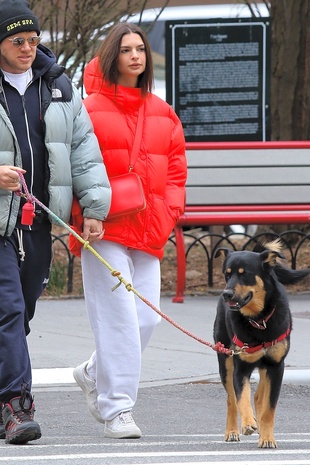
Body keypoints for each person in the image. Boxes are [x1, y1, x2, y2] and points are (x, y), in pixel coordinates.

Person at [0, 0, 111, 445]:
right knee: (7, 310)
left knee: (19, 315)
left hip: (38, 221)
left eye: (34, 39)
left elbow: (83, 149)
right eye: (17, 40)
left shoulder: (58, 85)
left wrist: (95, 208)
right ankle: (16, 407)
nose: (28, 48)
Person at [70, 22, 187, 439]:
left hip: (149, 229)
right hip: (104, 229)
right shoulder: (86, 108)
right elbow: (73, 168)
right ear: (111, 56)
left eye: (140, 49)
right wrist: (84, 216)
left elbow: (176, 173)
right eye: (126, 49)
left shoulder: (163, 112)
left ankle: (92, 371)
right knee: (120, 319)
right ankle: (118, 410)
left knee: (145, 319)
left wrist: (170, 212)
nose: (136, 56)